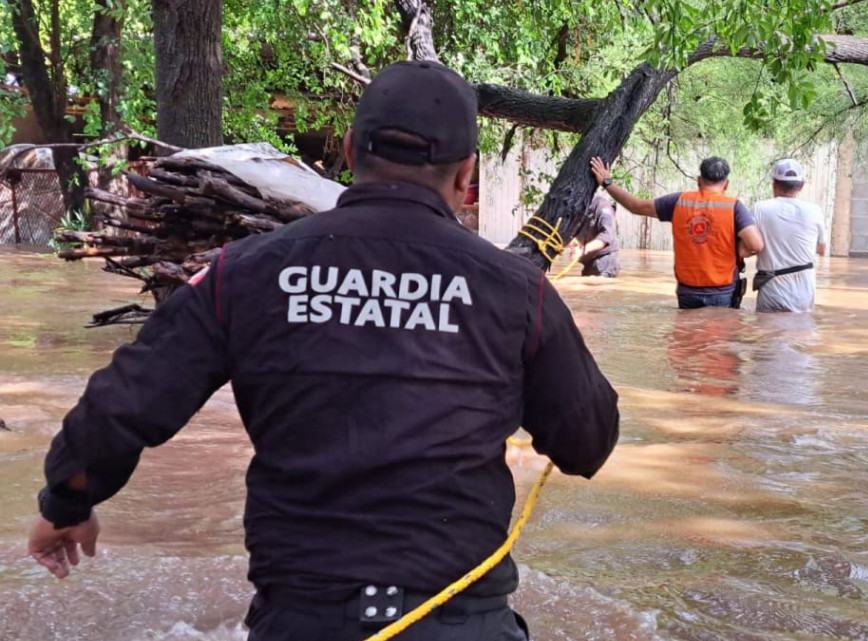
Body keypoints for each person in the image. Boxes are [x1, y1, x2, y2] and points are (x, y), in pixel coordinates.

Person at [27, 60, 620, 641]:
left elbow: (119, 407)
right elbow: (588, 442)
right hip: (462, 620)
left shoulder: (245, 273)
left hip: (299, 619)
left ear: (350, 150)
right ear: (467, 175)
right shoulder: (517, 291)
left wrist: (66, 504)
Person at [589, 156, 764, 309]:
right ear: (727, 184)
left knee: (687, 336)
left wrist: (607, 183)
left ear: (699, 181)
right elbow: (756, 245)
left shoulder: (678, 201)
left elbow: (635, 206)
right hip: (722, 292)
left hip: (688, 292)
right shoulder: (734, 207)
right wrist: (740, 250)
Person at [750, 159, 828, 313]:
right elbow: (821, 249)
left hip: (772, 291)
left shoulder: (759, 209)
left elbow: (748, 246)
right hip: (804, 292)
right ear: (801, 185)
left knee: (766, 327)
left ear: (774, 183)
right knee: (802, 327)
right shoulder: (814, 210)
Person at [565, 195, 620, 277]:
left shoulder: (603, 207)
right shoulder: (579, 209)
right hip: (589, 264)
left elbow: (607, 235)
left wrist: (582, 251)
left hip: (604, 263)